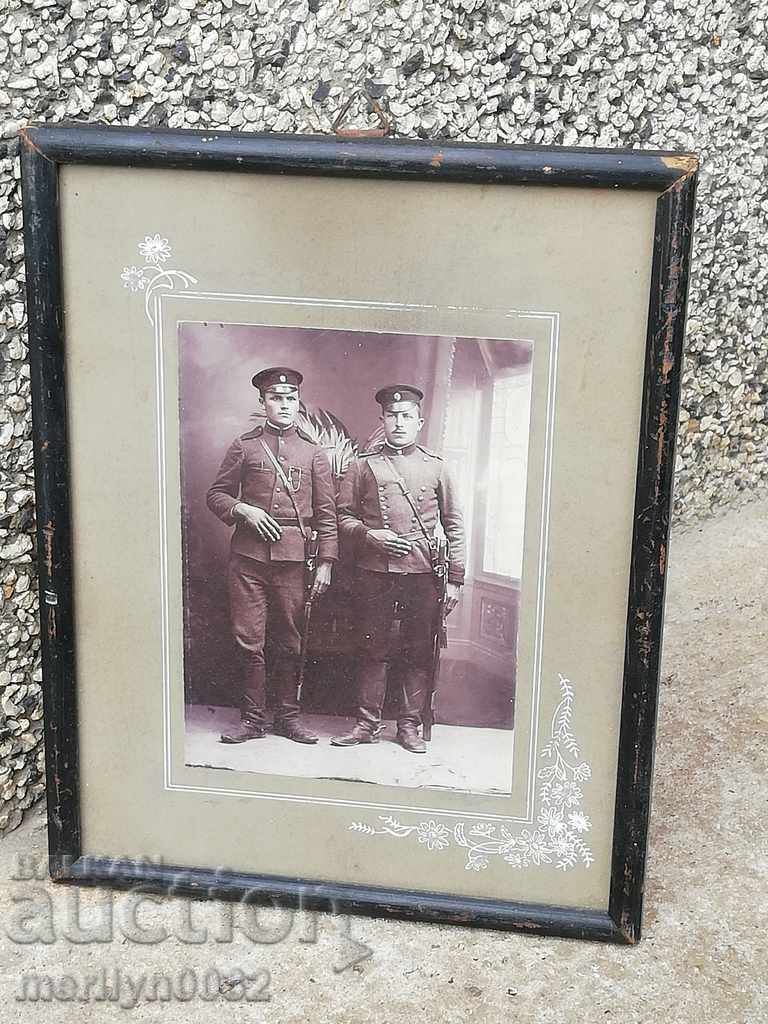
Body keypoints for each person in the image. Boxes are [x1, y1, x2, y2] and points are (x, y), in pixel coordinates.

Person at [206, 367, 337, 745]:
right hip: (247, 560)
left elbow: (327, 515)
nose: (284, 404)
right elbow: (216, 495)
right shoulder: (245, 446)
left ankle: (287, 718)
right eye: (276, 398)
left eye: (290, 398)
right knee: (249, 638)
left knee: (290, 640)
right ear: (262, 403)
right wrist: (244, 510)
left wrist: (326, 562)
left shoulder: (314, 453)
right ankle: (251, 719)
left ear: (298, 403)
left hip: (295, 563)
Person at [331, 385, 465, 753]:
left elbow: (453, 524)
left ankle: (408, 726)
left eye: (406, 416)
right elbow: (342, 517)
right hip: (373, 570)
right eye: (392, 416)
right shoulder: (363, 465)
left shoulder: (436, 466)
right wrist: (371, 535)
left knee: (418, 649)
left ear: (419, 422)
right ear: (383, 421)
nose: (399, 422)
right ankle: (366, 723)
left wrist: (455, 578)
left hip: (422, 573)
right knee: (371, 647)